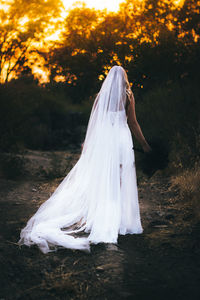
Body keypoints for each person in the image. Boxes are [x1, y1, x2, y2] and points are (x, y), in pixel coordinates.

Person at [18, 65, 151, 254]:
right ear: (124, 78)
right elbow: (133, 122)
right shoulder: (128, 95)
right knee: (120, 179)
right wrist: (144, 144)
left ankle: (103, 217)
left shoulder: (101, 96)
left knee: (103, 178)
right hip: (121, 139)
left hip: (105, 139)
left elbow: (95, 122)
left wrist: (88, 145)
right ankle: (116, 220)